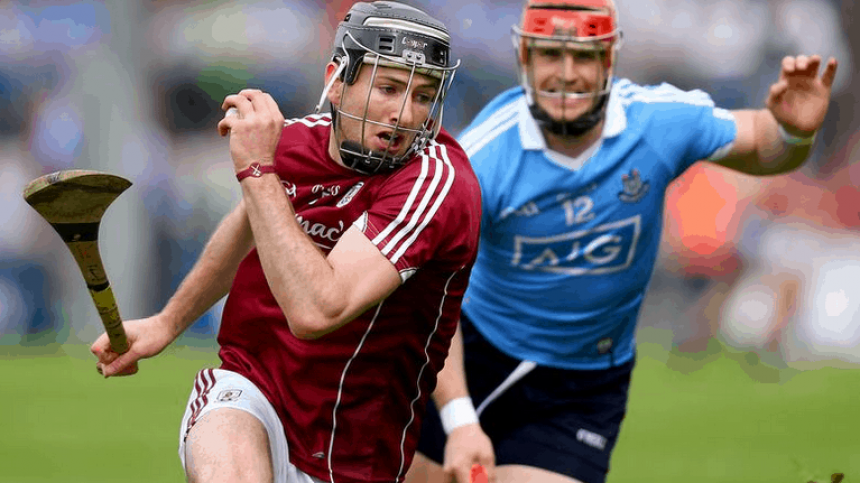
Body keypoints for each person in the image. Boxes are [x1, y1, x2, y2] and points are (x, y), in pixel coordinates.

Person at [404, 1, 839, 483]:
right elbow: (429, 296)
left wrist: (794, 133)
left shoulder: (657, 121)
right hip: (473, 354)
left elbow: (761, 143)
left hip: (582, 383)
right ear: (524, 57)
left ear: (609, 60)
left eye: (584, 57)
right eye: (550, 54)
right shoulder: (483, 157)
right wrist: (461, 419)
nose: (566, 75)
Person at [90, 2, 482, 483]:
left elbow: (318, 312)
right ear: (337, 81)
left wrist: (257, 170)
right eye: (388, 87)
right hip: (251, 388)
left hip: (354, 450)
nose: (405, 113)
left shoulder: (435, 184)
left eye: (423, 96)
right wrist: (167, 322)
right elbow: (247, 224)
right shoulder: (294, 143)